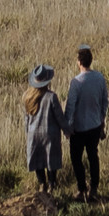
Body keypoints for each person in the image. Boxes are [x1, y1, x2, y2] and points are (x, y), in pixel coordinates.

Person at [66, 45, 109, 202]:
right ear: (91, 61)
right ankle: (94, 189)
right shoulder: (99, 78)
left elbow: (70, 107)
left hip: (78, 128)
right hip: (94, 125)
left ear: (79, 62)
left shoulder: (76, 83)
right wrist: (102, 120)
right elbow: (105, 101)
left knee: (76, 158)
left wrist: (67, 127)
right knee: (93, 157)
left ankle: (81, 188)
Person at [20, 65, 65, 200]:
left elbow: (26, 119)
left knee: (38, 160)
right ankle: (52, 185)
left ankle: (41, 184)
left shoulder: (27, 97)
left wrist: (28, 133)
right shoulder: (51, 97)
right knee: (51, 160)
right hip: (49, 134)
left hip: (34, 134)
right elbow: (59, 117)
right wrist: (67, 130)